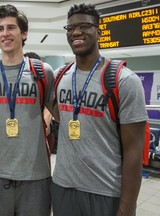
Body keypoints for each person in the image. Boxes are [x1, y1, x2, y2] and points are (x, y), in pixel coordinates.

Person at [51, 3, 148, 216]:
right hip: (63, 186)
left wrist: (127, 208)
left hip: (105, 190)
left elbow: (133, 151)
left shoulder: (124, 80)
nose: (76, 32)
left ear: (98, 31)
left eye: (84, 26)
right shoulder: (59, 76)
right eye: (71, 28)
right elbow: (59, 115)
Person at [0, 4, 54, 216]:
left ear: (23, 33)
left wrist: (45, 122)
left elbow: (53, 108)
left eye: (11, 27)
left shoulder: (43, 72)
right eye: (0, 29)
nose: (5, 33)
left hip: (35, 174)